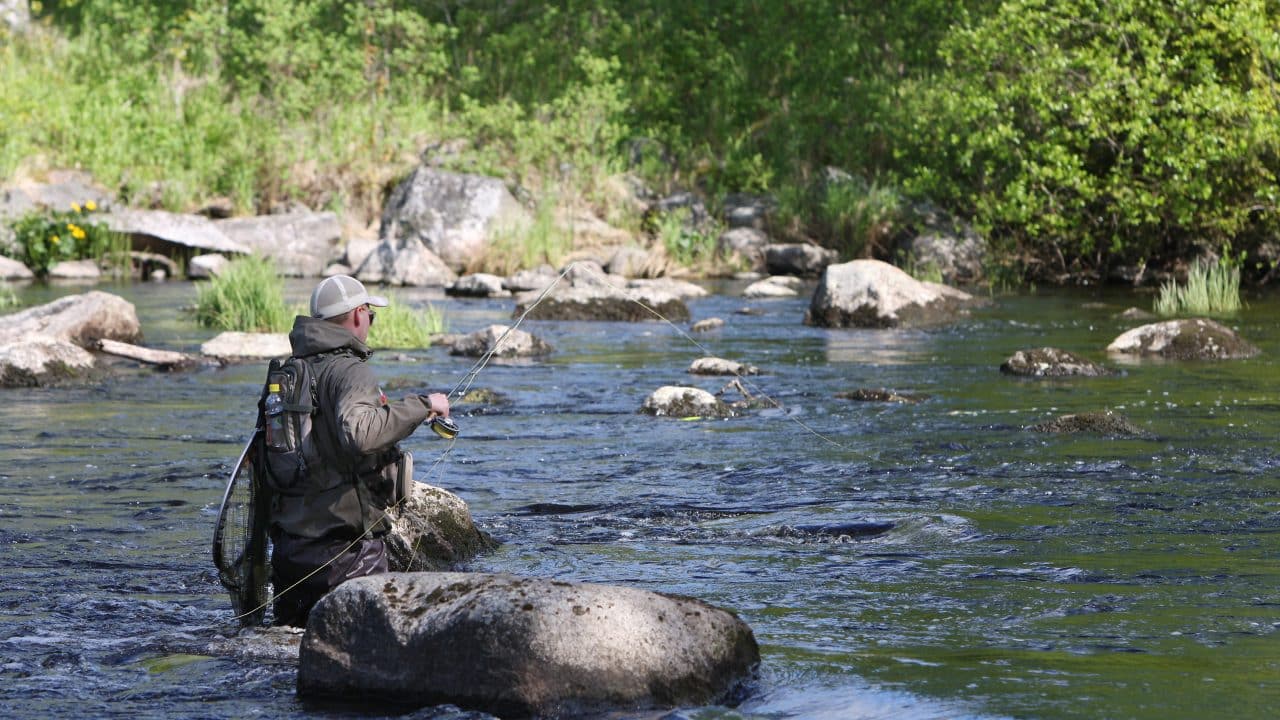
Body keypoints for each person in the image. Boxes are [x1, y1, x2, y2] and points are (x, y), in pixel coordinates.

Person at [268, 274, 450, 627]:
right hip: (347, 556)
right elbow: (360, 434)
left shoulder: (290, 373)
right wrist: (422, 406)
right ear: (358, 315)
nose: (369, 321)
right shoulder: (351, 371)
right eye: (370, 314)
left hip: (291, 555)